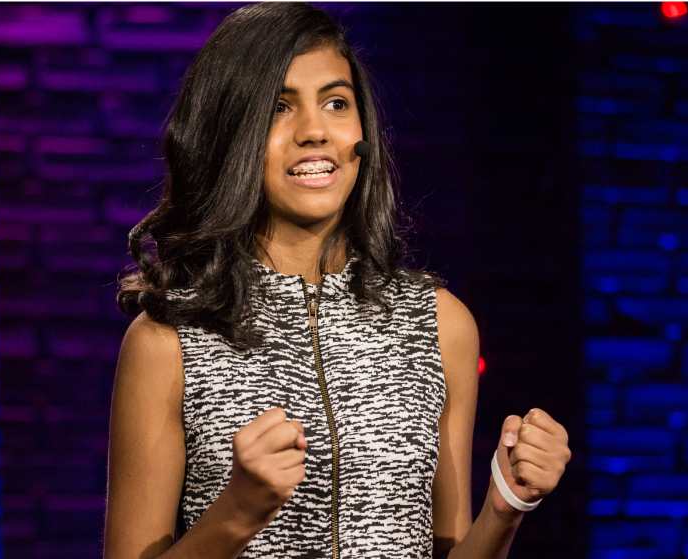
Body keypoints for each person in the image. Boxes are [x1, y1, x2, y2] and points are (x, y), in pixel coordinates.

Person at [104, 3, 571, 559]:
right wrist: (236, 514)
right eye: (279, 107)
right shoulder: (166, 343)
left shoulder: (441, 324)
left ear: (362, 133)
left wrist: (505, 508)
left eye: (336, 103)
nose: (315, 132)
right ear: (229, 132)